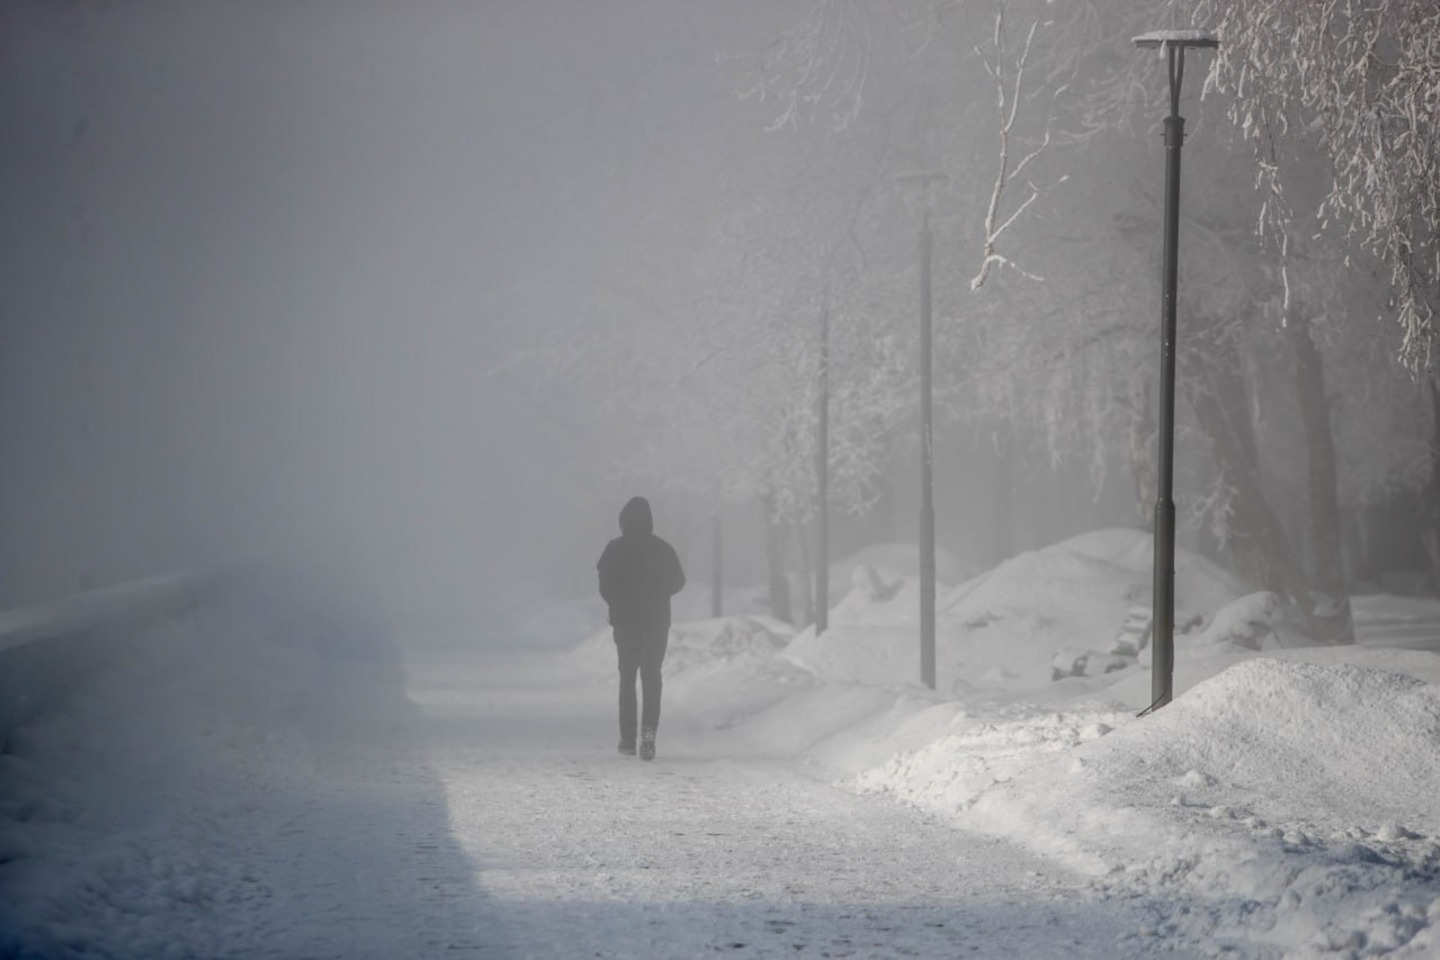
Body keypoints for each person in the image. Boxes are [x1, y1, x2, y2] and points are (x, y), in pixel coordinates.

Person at [596, 496, 685, 760]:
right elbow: (679, 581)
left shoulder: (614, 549)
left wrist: (619, 602)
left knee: (627, 678)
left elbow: (604, 585)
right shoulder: (663, 549)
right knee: (651, 677)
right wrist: (657, 595)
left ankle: (626, 738)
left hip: (625, 623)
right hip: (656, 622)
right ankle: (648, 733)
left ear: (623, 521)